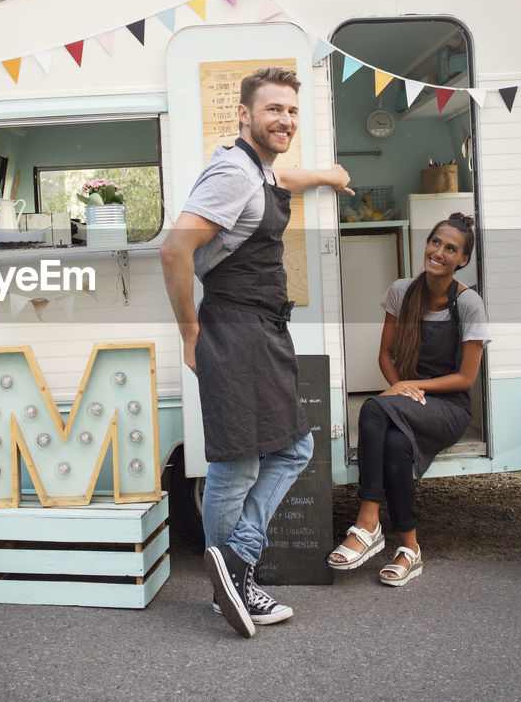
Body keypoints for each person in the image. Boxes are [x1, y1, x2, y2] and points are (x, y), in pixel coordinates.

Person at [160, 66, 353, 637]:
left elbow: (276, 181)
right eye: (273, 110)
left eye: (292, 112)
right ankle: (237, 569)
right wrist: (190, 332)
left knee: (272, 452)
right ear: (243, 115)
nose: (285, 120)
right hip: (237, 330)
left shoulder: (254, 169)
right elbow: (174, 252)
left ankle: (231, 578)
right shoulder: (232, 172)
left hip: (259, 331)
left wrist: (325, 175)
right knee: (249, 462)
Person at [326, 212, 489, 586]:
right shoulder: (401, 292)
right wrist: (401, 385)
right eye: (436, 243)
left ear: (462, 260)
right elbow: (385, 354)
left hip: (448, 407)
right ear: (426, 244)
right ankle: (409, 549)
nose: (440, 253)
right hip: (412, 398)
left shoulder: (468, 304)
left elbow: (466, 377)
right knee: (395, 444)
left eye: (451, 249)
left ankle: (367, 523)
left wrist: (409, 389)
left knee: (373, 407)